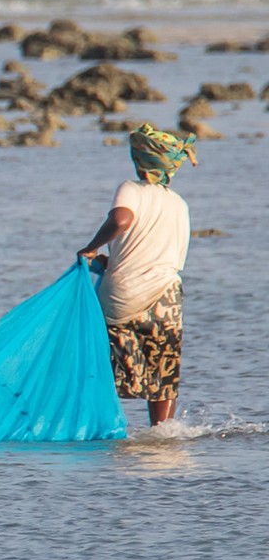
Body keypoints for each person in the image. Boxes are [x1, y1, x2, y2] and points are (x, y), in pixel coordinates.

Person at [78, 122, 196, 426]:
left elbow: (121, 219)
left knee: (103, 368)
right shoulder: (178, 203)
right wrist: (109, 260)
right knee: (163, 371)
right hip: (166, 295)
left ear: (139, 161)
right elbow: (154, 252)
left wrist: (91, 248)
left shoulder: (130, 189)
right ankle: (162, 434)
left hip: (123, 295)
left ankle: (100, 427)